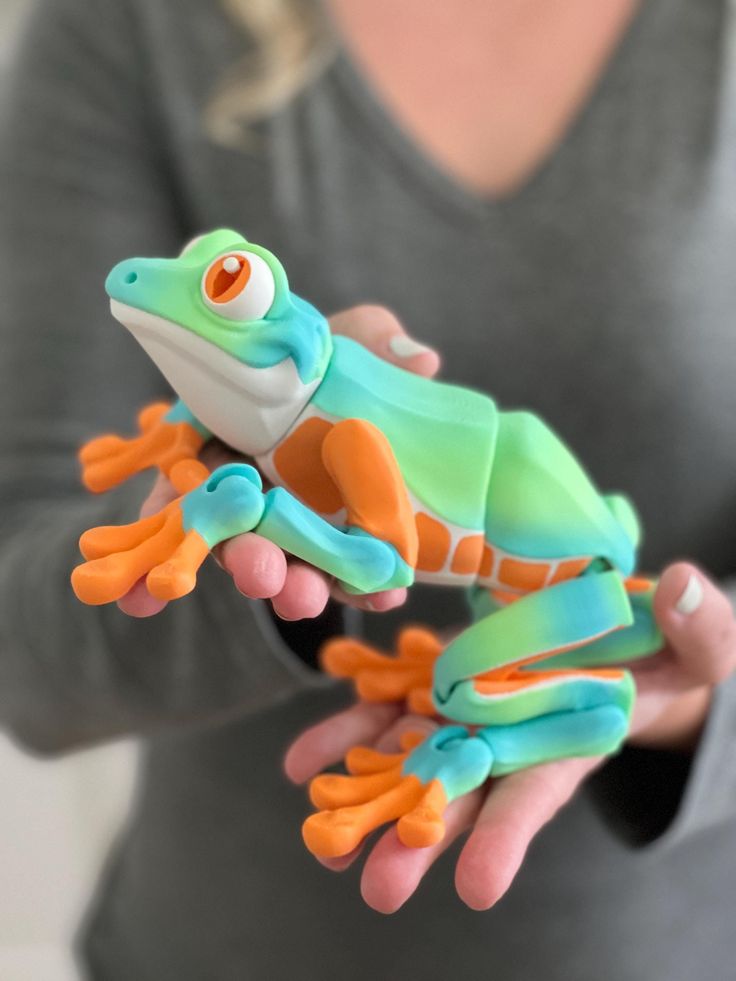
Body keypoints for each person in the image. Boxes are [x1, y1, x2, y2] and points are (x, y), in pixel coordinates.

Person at [1, 0, 735, 977]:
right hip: (215, 942)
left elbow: (379, 563)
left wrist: (699, 706)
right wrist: (206, 508)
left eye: (224, 287)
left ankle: (518, 723)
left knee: (458, 685)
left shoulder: (342, 437)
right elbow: (22, 643)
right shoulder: (136, 24)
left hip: (652, 889)